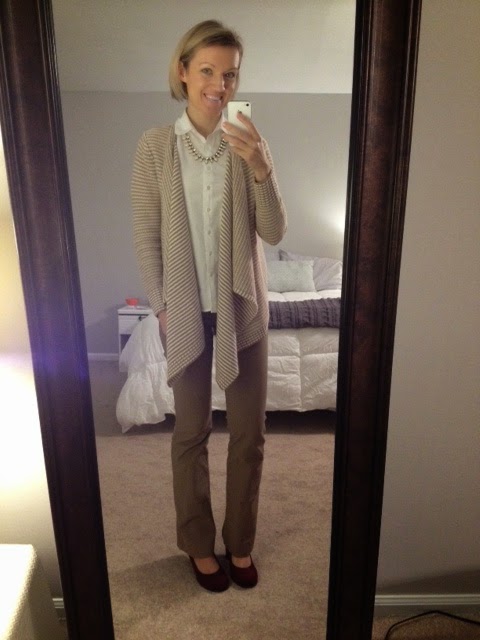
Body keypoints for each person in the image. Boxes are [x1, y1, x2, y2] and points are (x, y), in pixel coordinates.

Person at [131, 19, 287, 592]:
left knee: (250, 434)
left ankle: (240, 542)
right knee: (190, 432)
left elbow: (273, 232)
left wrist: (262, 169)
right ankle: (198, 544)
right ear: (182, 72)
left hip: (242, 306)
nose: (219, 85)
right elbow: (147, 234)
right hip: (185, 308)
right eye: (207, 71)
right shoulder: (155, 147)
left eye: (230, 74)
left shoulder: (249, 145)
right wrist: (160, 305)